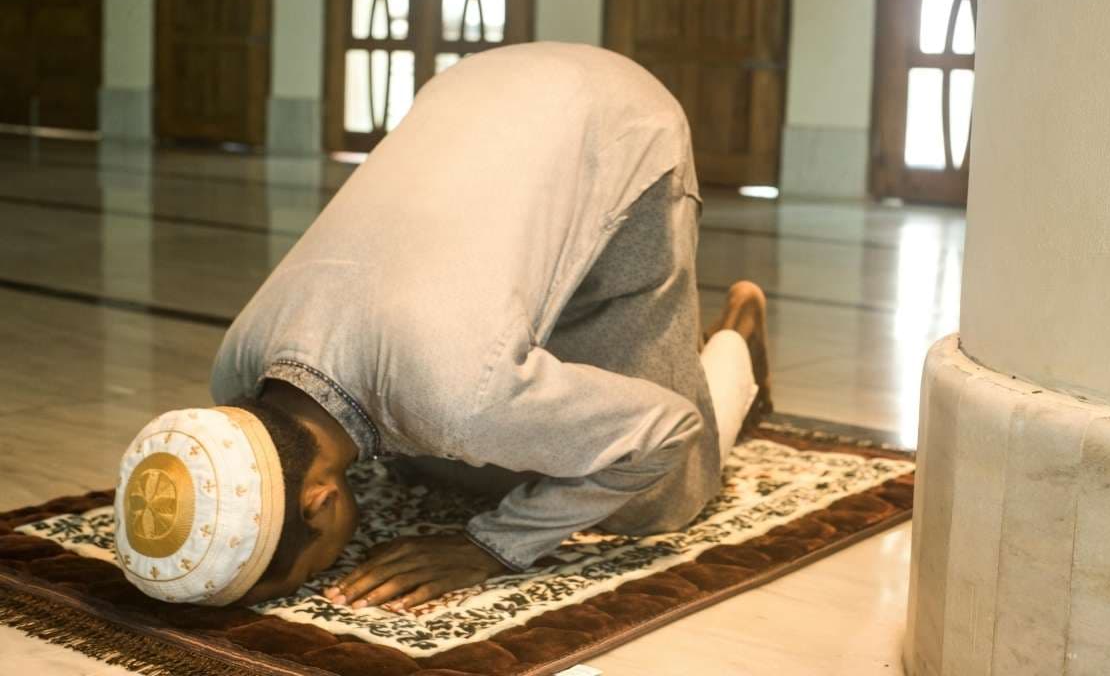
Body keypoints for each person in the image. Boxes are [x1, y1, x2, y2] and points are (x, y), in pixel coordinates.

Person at [112, 43, 772, 611]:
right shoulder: (237, 369)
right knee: (469, 455)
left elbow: (666, 428)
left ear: (319, 504)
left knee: (657, 497)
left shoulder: (462, 396)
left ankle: (735, 333)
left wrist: (491, 547)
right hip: (472, 84)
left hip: (619, 118)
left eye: (302, 580)